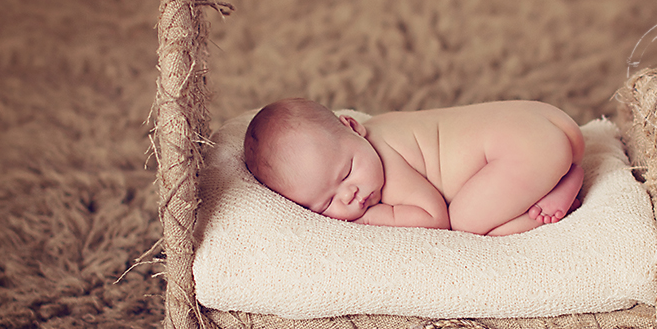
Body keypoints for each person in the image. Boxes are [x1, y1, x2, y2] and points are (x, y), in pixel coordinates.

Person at [243, 98, 584, 236]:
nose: (350, 195)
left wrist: (370, 218)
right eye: (325, 204)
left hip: (526, 148)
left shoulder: (387, 159)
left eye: (347, 172)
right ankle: (559, 167)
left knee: (466, 221)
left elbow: (433, 217)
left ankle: (561, 190)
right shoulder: (378, 129)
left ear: (353, 127)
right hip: (546, 121)